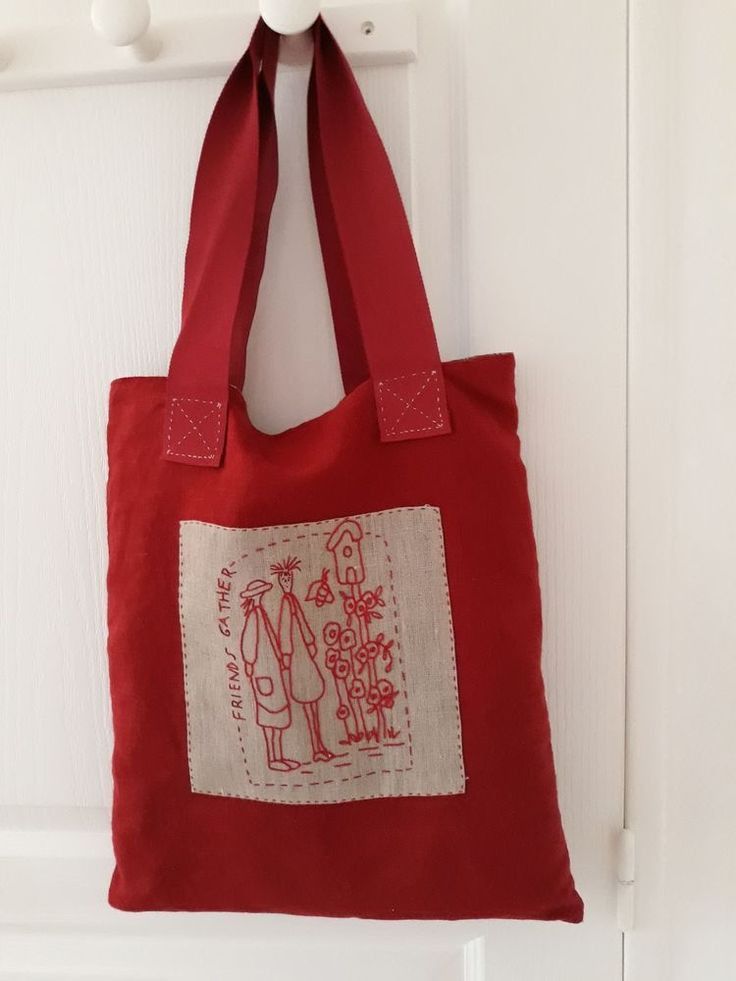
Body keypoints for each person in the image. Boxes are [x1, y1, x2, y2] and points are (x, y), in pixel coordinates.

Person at [271, 557, 334, 763]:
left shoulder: (292, 600)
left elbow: (302, 623)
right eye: (284, 578)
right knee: (309, 705)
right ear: (281, 581)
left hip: (304, 656)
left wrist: (310, 641)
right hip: (298, 660)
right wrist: (287, 656)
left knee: (313, 703)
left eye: (289, 577)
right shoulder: (285, 602)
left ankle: (320, 746)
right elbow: (284, 630)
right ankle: (316, 748)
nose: (287, 581)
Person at [239, 579, 300, 772]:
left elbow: (270, 640)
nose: (262, 595)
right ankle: (273, 758)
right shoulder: (254, 616)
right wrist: (249, 664)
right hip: (263, 674)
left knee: (277, 714)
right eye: (260, 593)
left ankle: (279, 756)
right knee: (268, 715)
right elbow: (248, 643)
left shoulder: (260, 614)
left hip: (271, 672)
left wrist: (280, 658)